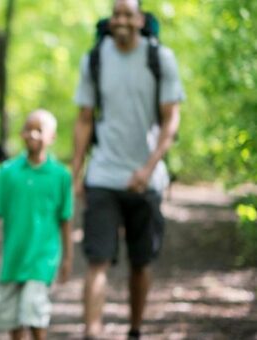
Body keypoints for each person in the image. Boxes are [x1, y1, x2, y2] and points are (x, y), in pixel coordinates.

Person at [72, 0, 185, 339]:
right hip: (103, 174)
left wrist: (148, 169)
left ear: (139, 19)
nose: (120, 20)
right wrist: (76, 172)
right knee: (97, 260)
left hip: (147, 180)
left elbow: (171, 119)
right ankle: (93, 332)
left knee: (141, 262)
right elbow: (83, 118)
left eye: (127, 14)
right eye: (116, 14)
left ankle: (135, 330)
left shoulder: (160, 58)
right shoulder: (94, 59)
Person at [0, 110, 74, 340]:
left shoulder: (60, 176)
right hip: (13, 258)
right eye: (28, 129)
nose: (32, 134)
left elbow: (66, 219)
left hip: (42, 258)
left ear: (51, 137)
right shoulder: (8, 173)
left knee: (34, 312)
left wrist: (67, 258)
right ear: (22, 133)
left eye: (39, 130)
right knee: (12, 317)